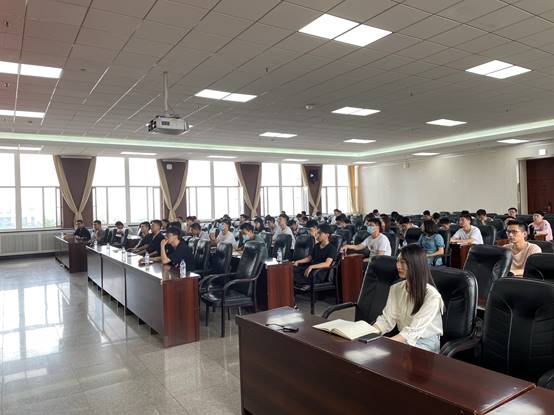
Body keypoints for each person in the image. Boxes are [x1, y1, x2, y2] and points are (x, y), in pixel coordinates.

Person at [372, 244, 444, 353]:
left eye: (403, 262)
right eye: (397, 261)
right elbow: (387, 320)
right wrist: (369, 332)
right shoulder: (395, 288)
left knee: (386, 355)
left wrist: (386, 343)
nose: (398, 266)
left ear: (415, 265)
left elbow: (413, 331)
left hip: (425, 343)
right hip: (403, 339)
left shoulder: (432, 296)